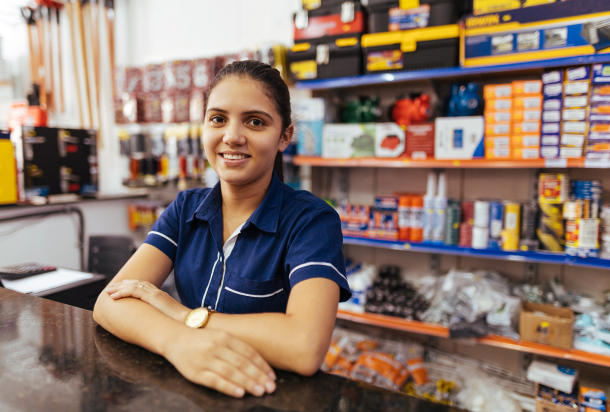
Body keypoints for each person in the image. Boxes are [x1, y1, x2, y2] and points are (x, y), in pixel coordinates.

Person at [93, 60, 351, 399]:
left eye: (255, 122)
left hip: (268, 395)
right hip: (195, 388)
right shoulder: (186, 208)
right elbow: (109, 303)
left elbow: (304, 346)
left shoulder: (312, 221)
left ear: (284, 136)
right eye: (218, 119)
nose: (232, 137)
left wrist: (186, 317)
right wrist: (178, 342)